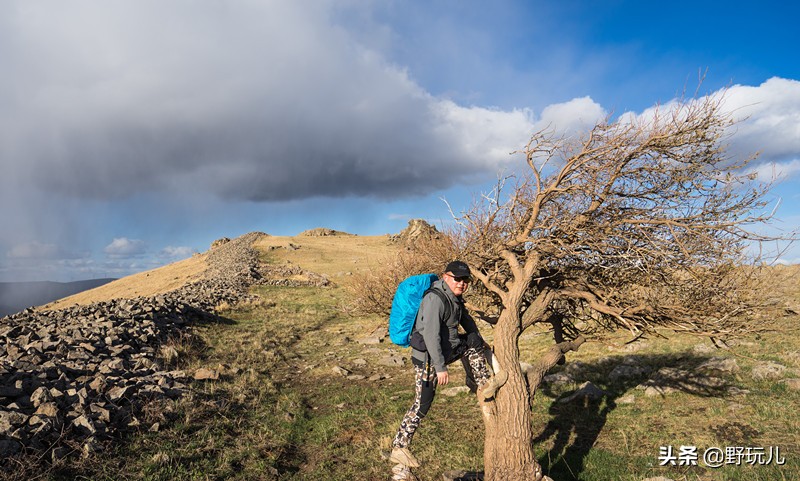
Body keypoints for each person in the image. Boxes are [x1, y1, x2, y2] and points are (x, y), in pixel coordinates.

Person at [389, 261, 507, 477]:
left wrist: (481, 342)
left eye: (465, 280)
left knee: (471, 342)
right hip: (428, 360)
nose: (462, 283)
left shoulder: (454, 298)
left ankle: (482, 383)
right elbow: (431, 336)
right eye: (457, 279)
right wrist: (441, 368)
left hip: (444, 351)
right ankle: (400, 447)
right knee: (422, 403)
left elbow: (467, 321)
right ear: (445, 276)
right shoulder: (435, 299)